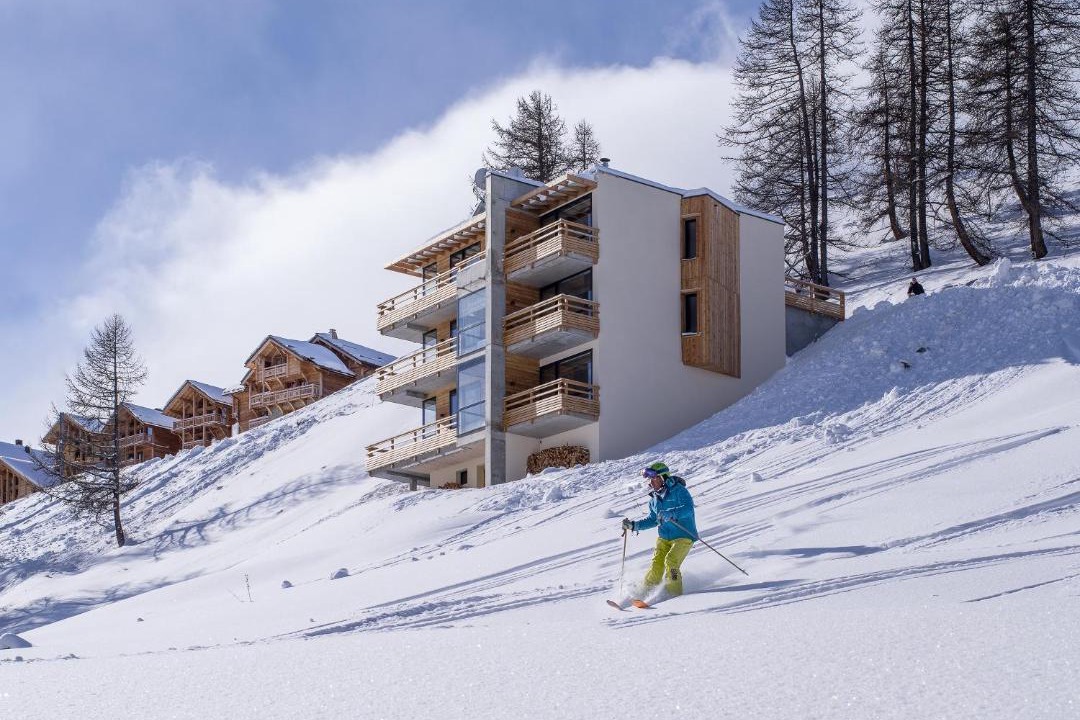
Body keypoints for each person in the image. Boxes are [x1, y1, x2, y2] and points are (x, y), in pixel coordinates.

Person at [621, 461, 698, 597]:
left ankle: (674, 594)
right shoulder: (654, 500)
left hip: (683, 535)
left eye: (654, 478)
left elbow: (688, 509)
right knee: (656, 567)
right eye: (650, 479)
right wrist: (634, 526)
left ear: (663, 478)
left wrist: (671, 513)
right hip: (664, 538)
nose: (651, 482)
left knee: (671, 561)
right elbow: (652, 519)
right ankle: (643, 594)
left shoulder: (679, 491)